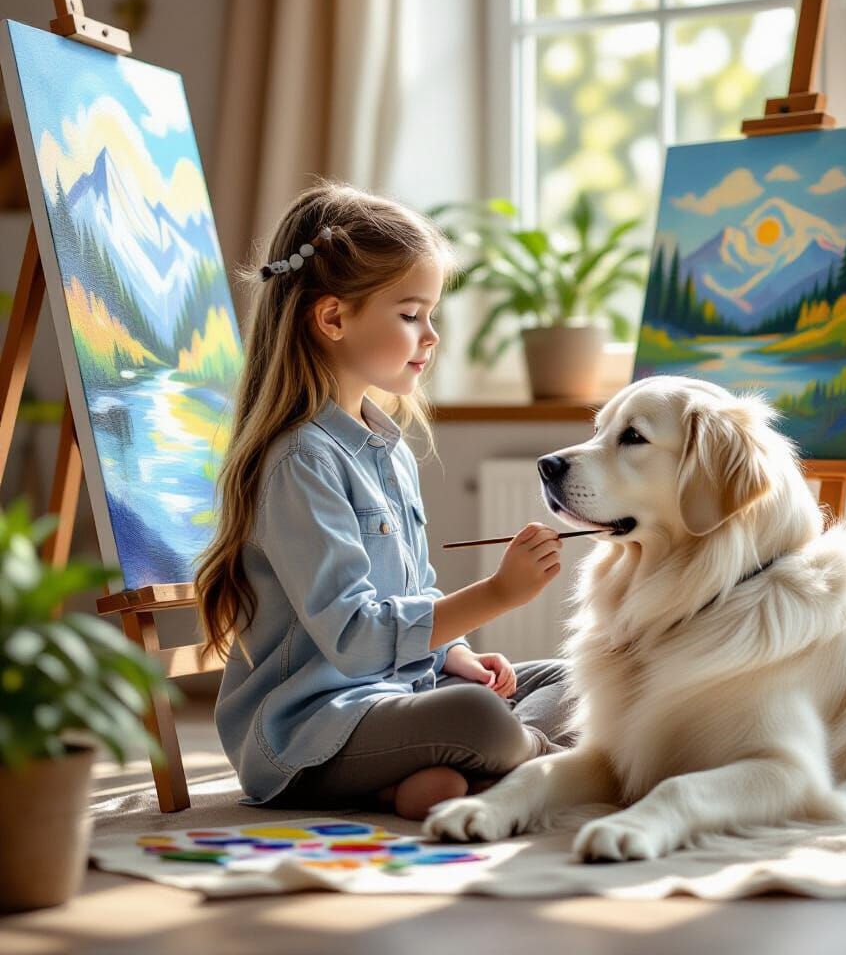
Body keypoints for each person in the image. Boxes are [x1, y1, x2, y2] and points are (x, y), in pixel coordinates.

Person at [194, 180, 576, 821]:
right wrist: (496, 596)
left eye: (431, 316)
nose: (429, 336)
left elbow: (414, 598)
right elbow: (353, 638)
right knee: (477, 718)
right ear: (334, 318)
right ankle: (540, 763)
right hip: (315, 732)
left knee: (572, 678)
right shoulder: (299, 463)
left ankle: (429, 779)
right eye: (409, 314)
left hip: (403, 695)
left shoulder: (388, 450)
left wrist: (458, 655)